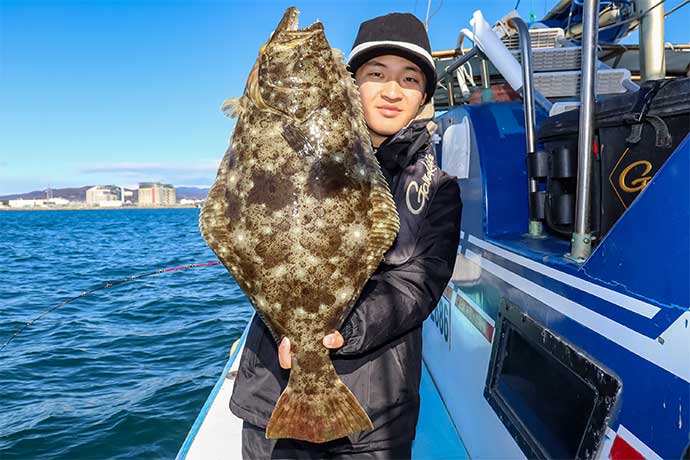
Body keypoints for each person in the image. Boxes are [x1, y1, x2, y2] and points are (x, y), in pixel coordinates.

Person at [230, 12, 462, 460]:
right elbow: (248, 210)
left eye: (409, 79)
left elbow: (418, 284)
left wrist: (339, 332)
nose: (393, 91)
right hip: (274, 393)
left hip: (376, 411)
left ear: (424, 96)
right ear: (349, 82)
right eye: (377, 74)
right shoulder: (297, 140)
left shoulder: (438, 188)